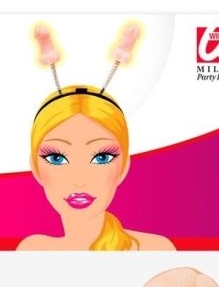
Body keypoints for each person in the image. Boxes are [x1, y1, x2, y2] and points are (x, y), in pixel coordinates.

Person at [18, 87, 175, 252]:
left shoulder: (154, 249)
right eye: (56, 158)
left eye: (102, 158)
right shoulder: (32, 250)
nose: (79, 181)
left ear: (123, 167)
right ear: (35, 168)